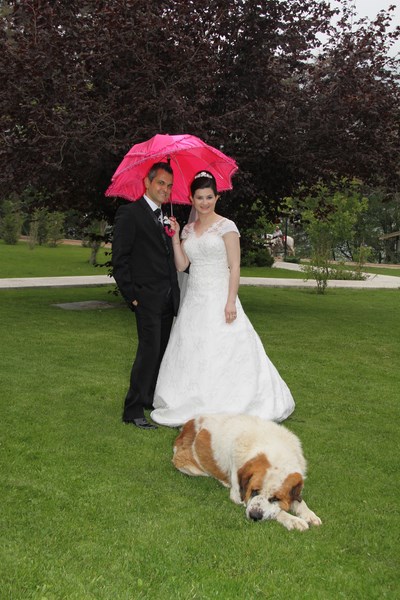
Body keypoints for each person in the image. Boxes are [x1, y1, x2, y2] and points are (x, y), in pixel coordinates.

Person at [150, 171, 295, 427]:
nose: (204, 202)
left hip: (220, 297)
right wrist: (175, 239)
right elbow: (182, 265)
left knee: (223, 350)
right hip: (195, 300)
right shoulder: (188, 229)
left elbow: (235, 266)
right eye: (199, 197)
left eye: (209, 197)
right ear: (191, 199)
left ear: (217, 198)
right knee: (194, 350)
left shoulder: (227, 227)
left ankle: (230, 400)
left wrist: (230, 301)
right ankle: (190, 399)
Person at [112, 162, 180, 430]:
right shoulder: (130, 214)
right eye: (161, 183)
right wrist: (132, 297)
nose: (165, 189)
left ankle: (150, 398)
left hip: (167, 298)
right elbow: (120, 260)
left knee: (161, 351)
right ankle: (133, 409)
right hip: (145, 298)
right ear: (147, 183)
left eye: (169, 186)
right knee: (148, 352)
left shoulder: (166, 217)